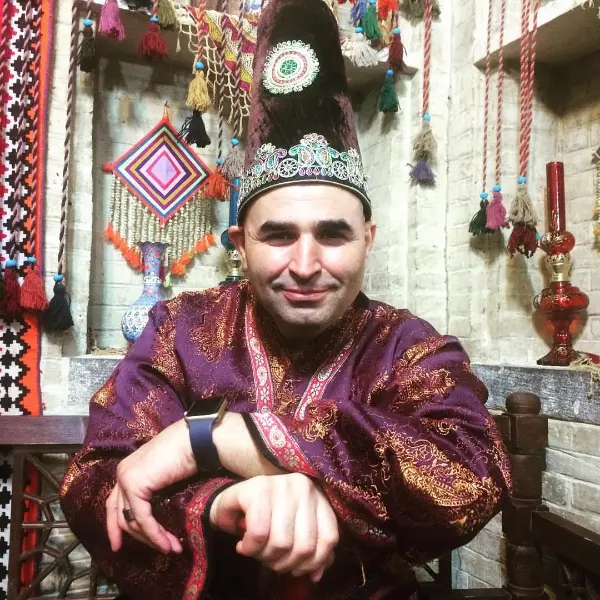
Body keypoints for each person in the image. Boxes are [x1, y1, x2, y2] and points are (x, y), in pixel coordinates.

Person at [59, 0, 511, 598]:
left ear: (368, 240)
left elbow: (469, 475)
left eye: (333, 234)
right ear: (241, 244)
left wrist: (215, 439)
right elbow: (93, 483)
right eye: (277, 235)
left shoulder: (407, 347)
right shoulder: (180, 330)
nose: (304, 264)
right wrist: (222, 503)